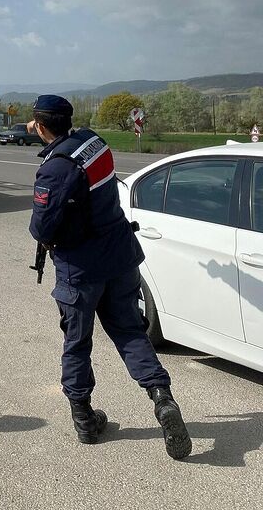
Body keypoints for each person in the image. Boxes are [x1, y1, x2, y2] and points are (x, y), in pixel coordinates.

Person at [28, 94, 191, 460]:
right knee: (131, 333)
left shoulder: (55, 168)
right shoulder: (95, 144)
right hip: (120, 259)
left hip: (81, 272)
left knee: (77, 343)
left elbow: (41, 227)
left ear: (40, 126)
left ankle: (85, 418)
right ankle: (162, 398)